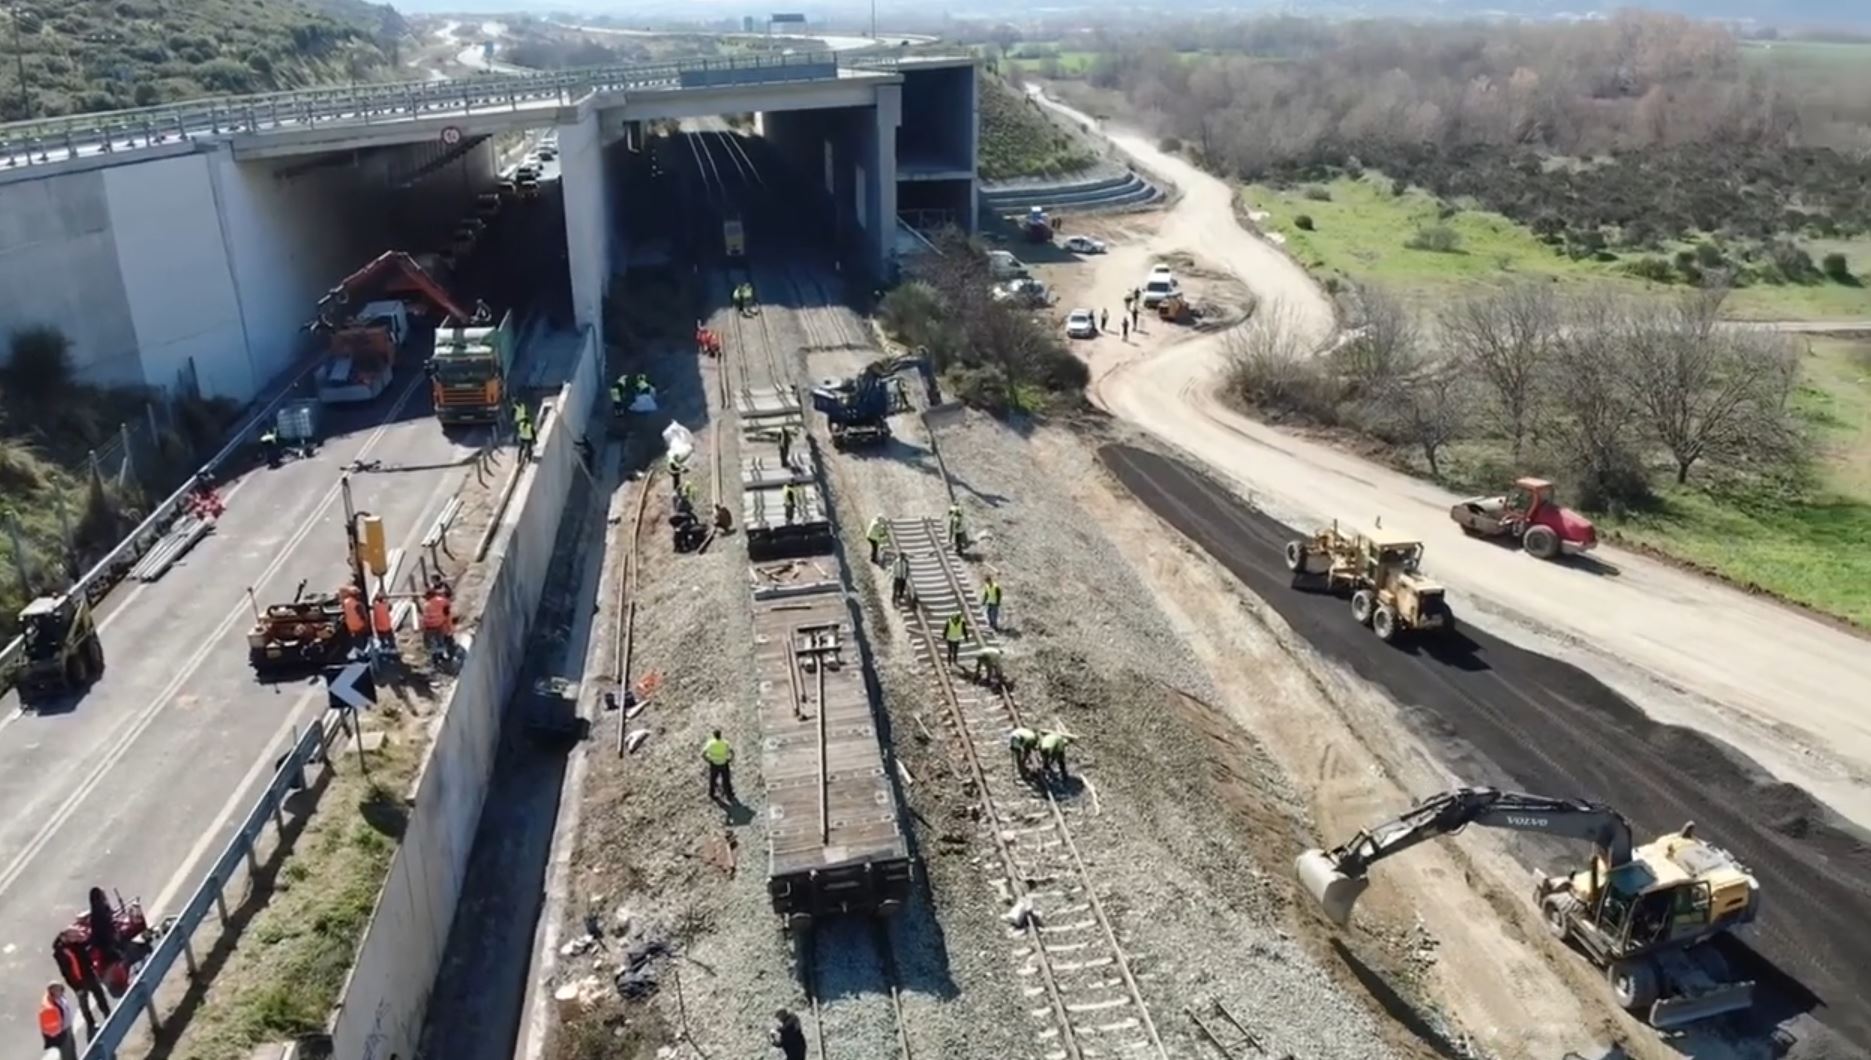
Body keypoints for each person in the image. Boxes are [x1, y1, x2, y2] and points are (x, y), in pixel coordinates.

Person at [40, 981, 77, 1060]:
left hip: (68, 1027)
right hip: (62, 1032)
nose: (57, 991)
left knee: (72, 1049)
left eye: (58, 988)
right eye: (55, 989)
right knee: (66, 1053)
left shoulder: (61, 998)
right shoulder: (51, 1005)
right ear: (51, 991)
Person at [421, 584, 456, 666]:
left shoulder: (426, 605)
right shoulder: (442, 601)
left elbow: (424, 618)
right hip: (439, 625)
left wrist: (423, 628)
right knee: (440, 641)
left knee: (433, 644)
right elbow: (447, 611)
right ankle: (441, 657)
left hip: (429, 627)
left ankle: (435, 660)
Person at [702, 729, 735, 801]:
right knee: (726, 779)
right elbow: (732, 752)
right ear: (720, 735)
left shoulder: (710, 743)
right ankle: (729, 794)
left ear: (714, 736)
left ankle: (712, 794)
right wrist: (730, 759)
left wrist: (708, 760)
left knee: (713, 779)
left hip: (714, 764)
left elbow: (703, 754)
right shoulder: (725, 743)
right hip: (723, 763)